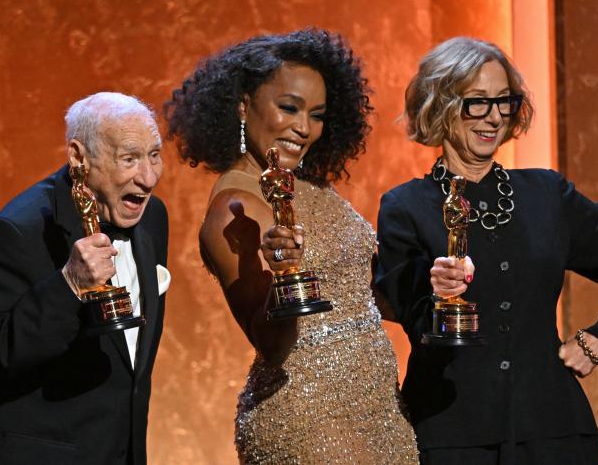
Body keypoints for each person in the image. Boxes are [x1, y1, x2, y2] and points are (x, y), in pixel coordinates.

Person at [375, 36, 598, 464]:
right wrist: (438, 294)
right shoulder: (405, 206)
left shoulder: (546, 195)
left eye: (505, 101)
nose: (494, 116)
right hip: (453, 437)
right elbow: (412, 315)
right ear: (440, 105)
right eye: (477, 101)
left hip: (554, 432)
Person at [166, 28, 418, 464]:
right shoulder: (234, 209)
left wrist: (437, 281)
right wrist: (286, 273)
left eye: (317, 115)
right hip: (309, 419)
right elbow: (273, 343)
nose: (304, 128)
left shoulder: (305, 184)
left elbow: (368, 296)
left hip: (382, 413)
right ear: (243, 106)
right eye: (289, 108)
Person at [0, 92, 170, 465]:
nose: (149, 177)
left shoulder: (151, 218)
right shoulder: (17, 230)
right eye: (130, 159)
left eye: (154, 155)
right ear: (78, 157)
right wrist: (69, 285)